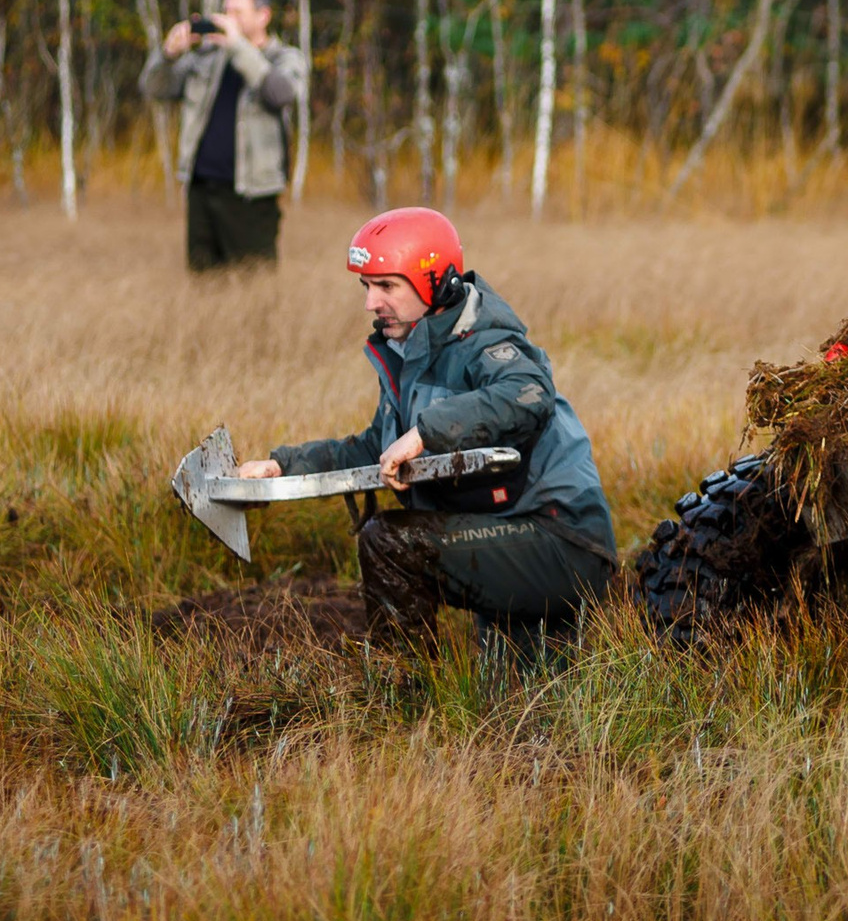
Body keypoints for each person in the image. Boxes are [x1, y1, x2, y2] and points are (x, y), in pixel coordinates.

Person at [233, 207, 616, 655]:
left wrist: (427, 433)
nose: (370, 303)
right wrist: (283, 466)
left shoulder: (487, 342)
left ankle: (401, 696)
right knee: (520, 701)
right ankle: (442, 703)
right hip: (504, 534)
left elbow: (528, 395)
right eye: (367, 286)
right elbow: (377, 448)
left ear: (435, 282)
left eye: (387, 286)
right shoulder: (409, 351)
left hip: (561, 540)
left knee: (390, 542)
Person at [138, 0, 309, 272]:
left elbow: (281, 93)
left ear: (263, 16)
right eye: (226, 10)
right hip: (202, 190)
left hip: (252, 194)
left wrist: (238, 47)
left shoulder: (284, 57)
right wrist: (168, 54)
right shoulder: (207, 57)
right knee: (203, 283)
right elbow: (154, 88)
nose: (227, 18)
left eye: (237, 12)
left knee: (255, 283)